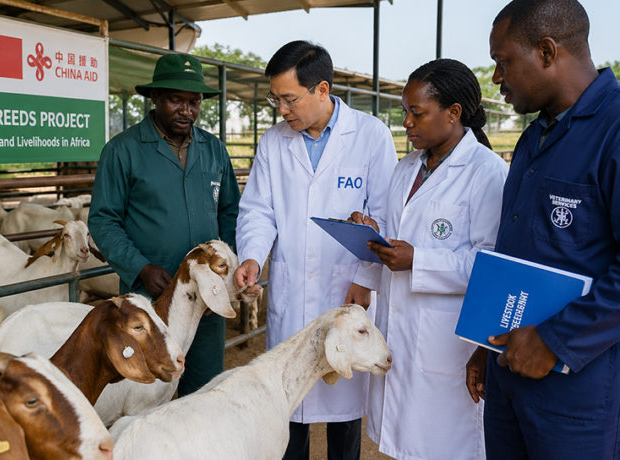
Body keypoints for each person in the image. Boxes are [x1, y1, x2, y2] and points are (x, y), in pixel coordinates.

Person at [464, 1, 620, 458]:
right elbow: (516, 251)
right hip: (508, 367)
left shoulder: (613, 133)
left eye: (503, 62)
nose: (496, 78)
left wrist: (555, 341)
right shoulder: (535, 137)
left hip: (577, 389)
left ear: (548, 51)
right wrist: (486, 341)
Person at [234, 40, 397, 460]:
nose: (281, 110)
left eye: (289, 99)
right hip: (291, 294)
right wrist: (253, 256)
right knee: (291, 405)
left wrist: (365, 280)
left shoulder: (370, 136)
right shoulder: (273, 142)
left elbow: (384, 217)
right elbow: (258, 210)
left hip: (347, 293)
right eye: (276, 99)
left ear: (321, 90)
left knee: (344, 409)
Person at [357, 58, 508, 460]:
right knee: (402, 442)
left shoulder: (485, 173)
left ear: (453, 113)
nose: (405, 121)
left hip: (446, 340)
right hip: (399, 328)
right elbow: (396, 227)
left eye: (416, 112)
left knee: (445, 445)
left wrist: (419, 261)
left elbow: (492, 263)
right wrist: (372, 229)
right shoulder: (406, 167)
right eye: (405, 110)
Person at [88, 53, 240, 396]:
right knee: (145, 395)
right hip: (148, 303)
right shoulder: (123, 150)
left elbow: (231, 210)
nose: (186, 110)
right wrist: (140, 267)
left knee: (203, 390)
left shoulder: (214, 149)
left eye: (194, 101)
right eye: (175, 100)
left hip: (206, 299)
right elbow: (103, 219)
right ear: (154, 98)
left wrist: (226, 266)